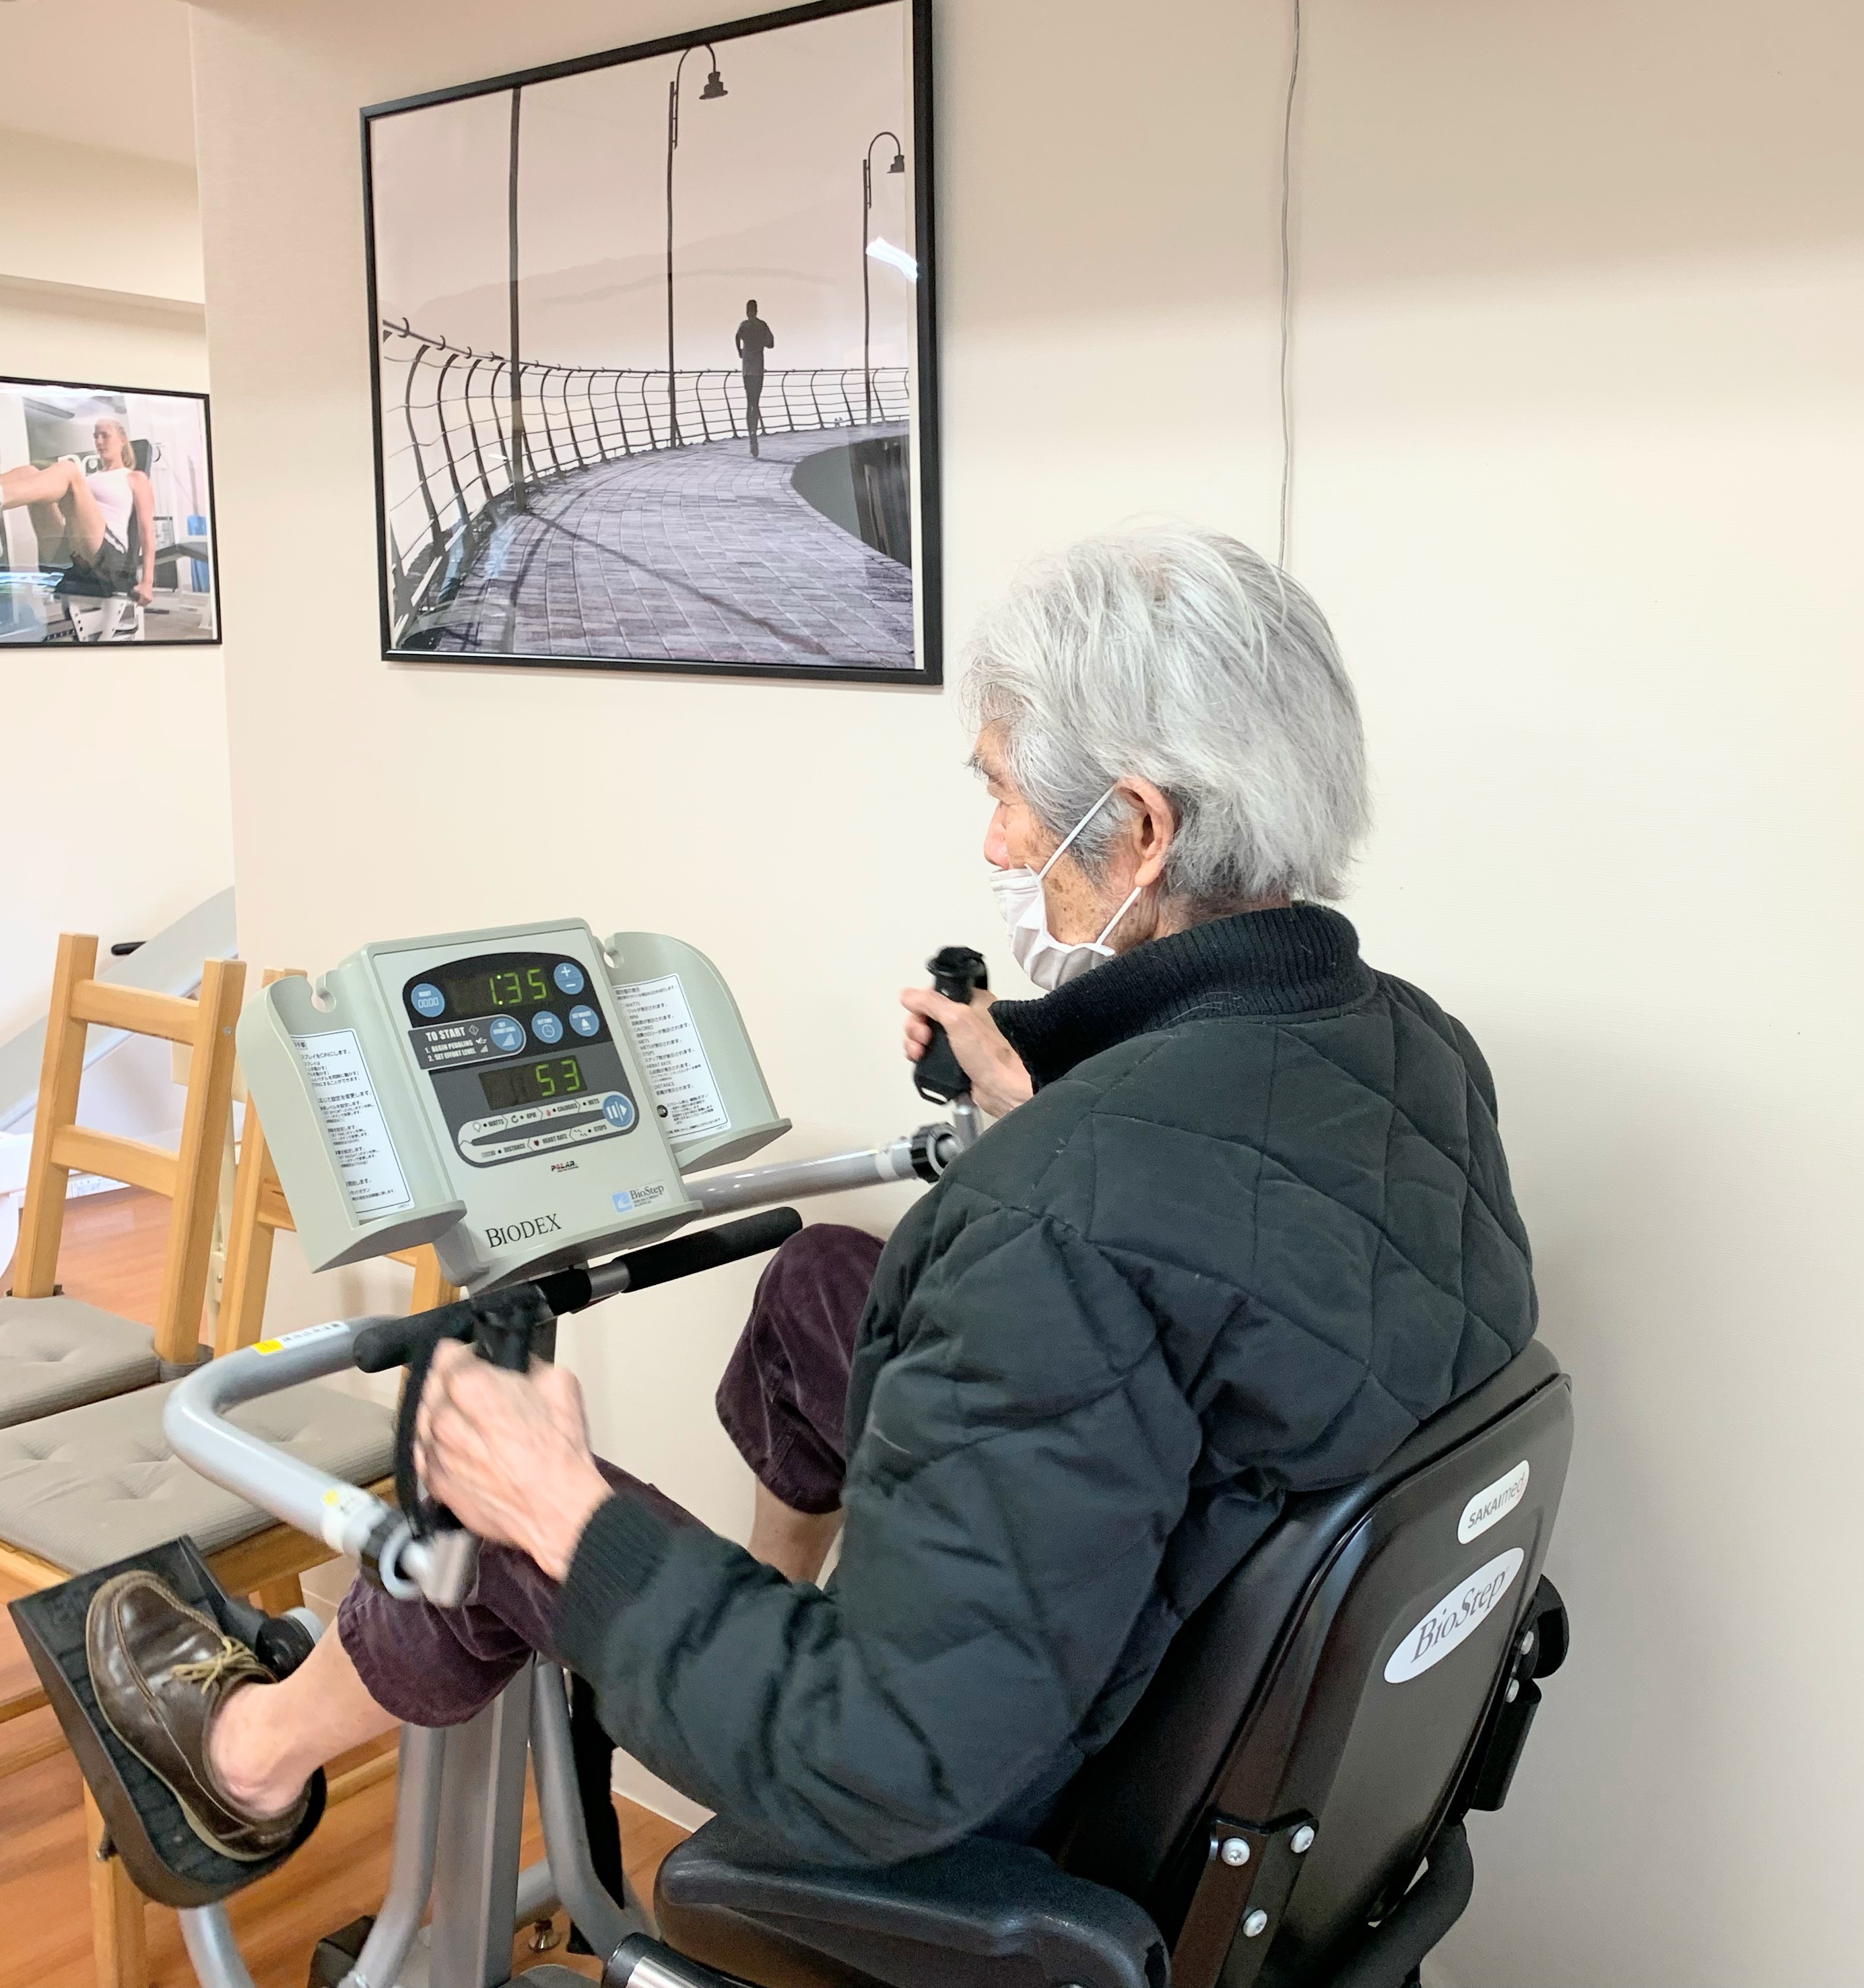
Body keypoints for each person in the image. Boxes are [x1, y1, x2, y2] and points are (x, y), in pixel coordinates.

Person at [83, 523, 1541, 1871]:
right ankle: (794, 1619)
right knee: (820, 1284)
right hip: (1214, 1656)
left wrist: (566, 1514)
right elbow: (1222, 1254)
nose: (997, 844)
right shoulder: (1413, 1049)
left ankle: (245, 1759)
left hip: (1016, 1785)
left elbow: (890, 1758)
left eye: (1005, 793)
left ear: (1142, 829)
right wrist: (1041, 1106)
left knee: (504, 1506)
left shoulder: (1062, 1215)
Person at [0, 415, 155, 609]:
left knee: (69, 469)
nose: (99, 441)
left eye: (105, 436)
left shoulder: (135, 477)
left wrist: (147, 581)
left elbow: (147, 531)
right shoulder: (89, 479)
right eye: (96, 436)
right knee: (29, 471)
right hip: (73, 551)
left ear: (122, 440)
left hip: (109, 558)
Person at [733, 299, 774, 457]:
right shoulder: (762, 325)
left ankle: (751, 432)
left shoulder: (744, 325)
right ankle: (754, 431)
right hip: (758, 369)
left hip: (747, 370)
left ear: (747, 311)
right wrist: (761, 342)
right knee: (755, 403)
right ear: (756, 311)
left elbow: (737, 337)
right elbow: (771, 344)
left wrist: (740, 352)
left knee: (749, 402)